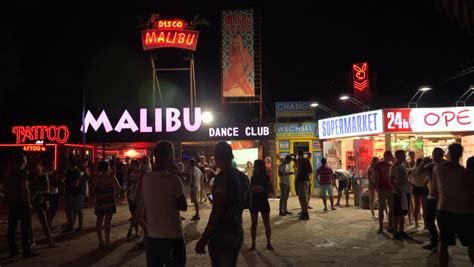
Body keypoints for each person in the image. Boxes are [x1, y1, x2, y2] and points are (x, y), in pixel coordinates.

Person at [195, 141, 250, 267]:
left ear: (218, 157)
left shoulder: (222, 177)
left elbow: (217, 211)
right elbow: (247, 204)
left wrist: (205, 238)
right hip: (237, 229)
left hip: (223, 231)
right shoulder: (243, 177)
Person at [143, 141, 187, 266]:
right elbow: (183, 206)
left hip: (153, 236)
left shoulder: (146, 179)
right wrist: (177, 174)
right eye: (173, 153)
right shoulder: (174, 180)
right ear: (169, 156)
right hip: (173, 235)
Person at [432, 143, 474, 267]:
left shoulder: (438, 169)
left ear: (448, 154)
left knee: (444, 243)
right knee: (471, 243)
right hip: (465, 212)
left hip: (445, 210)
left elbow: (434, 191)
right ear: (460, 155)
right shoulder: (466, 174)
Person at [6, 154, 39, 258]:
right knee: (25, 228)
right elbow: (24, 188)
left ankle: (13, 250)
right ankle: (26, 250)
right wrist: (28, 203)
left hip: (12, 204)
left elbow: (6, 187)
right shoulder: (23, 172)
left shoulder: (9, 173)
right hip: (21, 203)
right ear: (23, 161)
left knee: (12, 228)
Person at [416, 147, 444, 250]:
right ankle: (435, 239)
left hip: (442, 198)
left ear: (441, 155)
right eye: (434, 154)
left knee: (441, 221)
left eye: (437, 154)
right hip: (432, 197)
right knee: (429, 220)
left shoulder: (445, 166)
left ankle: (440, 241)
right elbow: (418, 172)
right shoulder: (431, 166)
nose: (435, 156)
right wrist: (423, 162)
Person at [90, 161, 122, 249]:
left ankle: (100, 241)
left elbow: (92, 191)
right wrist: (114, 195)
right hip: (109, 202)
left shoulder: (95, 178)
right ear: (107, 168)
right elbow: (119, 189)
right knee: (107, 223)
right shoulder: (111, 178)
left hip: (99, 202)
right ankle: (107, 241)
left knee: (98, 222)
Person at [32, 160, 58, 248]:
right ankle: (32, 241)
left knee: (44, 222)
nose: (37, 170)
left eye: (38, 168)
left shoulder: (44, 177)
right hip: (32, 200)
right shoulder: (32, 177)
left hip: (39, 200)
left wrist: (38, 192)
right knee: (29, 222)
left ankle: (50, 241)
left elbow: (47, 190)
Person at [249, 160, 273, 251]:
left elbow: (269, 191)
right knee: (254, 224)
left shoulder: (266, 177)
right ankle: (253, 244)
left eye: (256, 166)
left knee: (266, 224)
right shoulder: (253, 178)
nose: (255, 168)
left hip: (262, 201)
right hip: (255, 201)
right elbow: (251, 189)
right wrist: (256, 189)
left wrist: (260, 189)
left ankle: (268, 243)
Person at [390, 150, 412, 240]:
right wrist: (396, 190)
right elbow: (391, 179)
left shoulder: (402, 165)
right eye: (403, 155)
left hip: (404, 191)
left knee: (402, 212)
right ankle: (396, 232)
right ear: (398, 156)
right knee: (397, 213)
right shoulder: (395, 166)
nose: (404, 156)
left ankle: (401, 231)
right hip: (399, 192)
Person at [374, 151, 394, 234]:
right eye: (390, 156)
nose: (390, 158)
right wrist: (378, 188)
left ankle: (390, 225)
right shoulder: (378, 165)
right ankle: (381, 226)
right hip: (382, 189)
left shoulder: (391, 165)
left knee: (391, 209)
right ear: (386, 156)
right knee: (381, 208)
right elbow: (376, 177)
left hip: (390, 189)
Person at [63, 157, 84, 233]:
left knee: (77, 210)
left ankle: (80, 226)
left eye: (68, 162)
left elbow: (76, 184)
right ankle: (71, 225)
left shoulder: (76, 171)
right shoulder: (68, 171)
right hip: (70, 193)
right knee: (69, 210)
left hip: (76, 193)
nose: (66, 163)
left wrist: (66, 185)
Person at [410, 158, 428, 229]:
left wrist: (413, 184)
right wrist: (425, 184)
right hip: (423, 188)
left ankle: (416, 223)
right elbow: (429, 178)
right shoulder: (424, 170)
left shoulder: (413, 170)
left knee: (417, 206)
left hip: (416, 188)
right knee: (424, 207)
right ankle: (425, 224)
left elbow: (408, 179)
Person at [126, 160, 141, 240]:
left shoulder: (141, 173)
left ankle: (132, 228)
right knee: (133, 214)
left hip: (138, 196)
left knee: (137, 214)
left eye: (134, 165)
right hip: (131, 194)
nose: (132, 167)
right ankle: (136, 230)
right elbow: (128, 182)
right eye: (132, 165)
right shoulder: (131, 172)